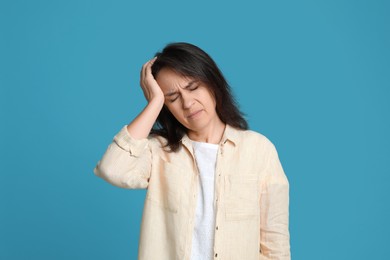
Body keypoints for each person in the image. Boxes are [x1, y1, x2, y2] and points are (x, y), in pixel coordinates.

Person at [93, 42, 290, 260]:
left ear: (212, 83)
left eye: (193, 87)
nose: (187, 103)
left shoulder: (259, 150)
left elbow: (275, 246)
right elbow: (111, 169)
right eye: (173, 99)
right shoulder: (159, 152)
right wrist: (154, 103)